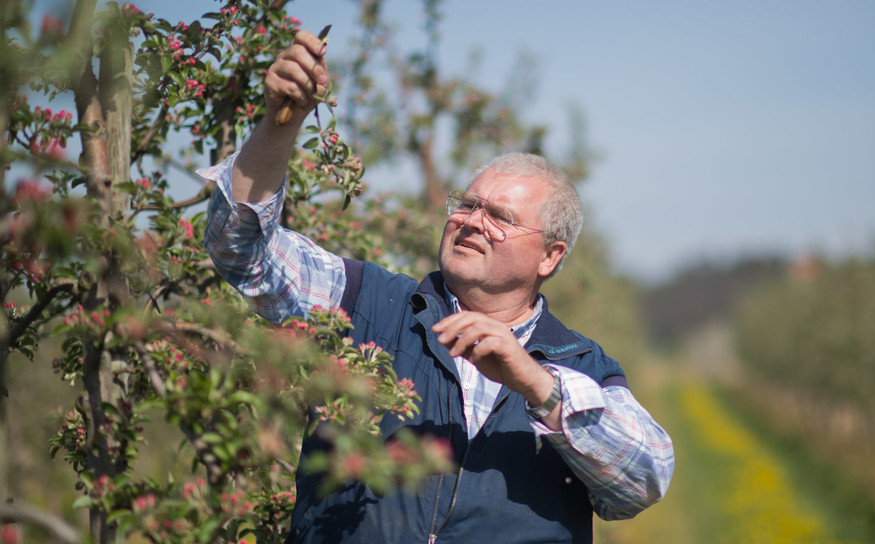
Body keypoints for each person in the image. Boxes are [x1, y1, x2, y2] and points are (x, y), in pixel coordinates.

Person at [201, 30, 673, 544]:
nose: (472, 222)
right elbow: (242, 251)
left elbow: (642, 483)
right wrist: (276, 126)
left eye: (500, 217)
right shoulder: (365, 303)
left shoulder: (582, 366)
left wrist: (536, 384)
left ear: (550, 256)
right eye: (468, 205)